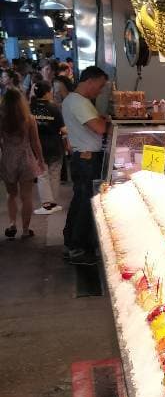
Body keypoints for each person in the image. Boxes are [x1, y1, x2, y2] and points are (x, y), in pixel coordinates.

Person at [61, 65, 109, 265]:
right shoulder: (78, 102)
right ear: (89, 81)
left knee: (80, 201)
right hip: (87, 160)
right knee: (86, 203)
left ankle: (72, 243)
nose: (100, 91)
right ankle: (79, 249)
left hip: (84, 158)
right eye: (100, 86)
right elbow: (99, 128)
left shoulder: (76, 101)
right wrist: (107, 122)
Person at [0, 87, 45, 239]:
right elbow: (36, 143)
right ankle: (26, 230)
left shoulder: (2, 119)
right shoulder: (29, 119)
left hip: (8, 158)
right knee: (27, 196)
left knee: (11, 194)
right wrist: (41, 160)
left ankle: (12, 224)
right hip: (26, 158)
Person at [30, 80, 66, 214]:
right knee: (55, 174)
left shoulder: (30, 108)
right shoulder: (54, 108)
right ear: (46, 93)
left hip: (37, 146)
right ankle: (53, 203)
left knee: (42, 175)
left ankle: (46, 205)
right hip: (55, 145)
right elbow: (63, 129)